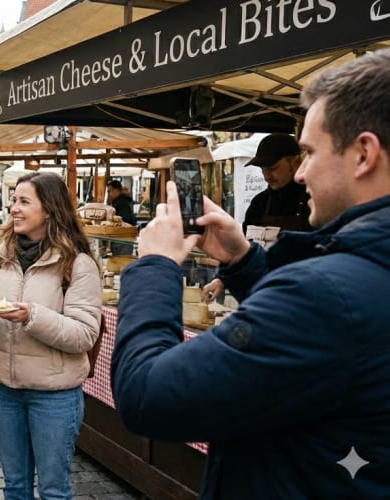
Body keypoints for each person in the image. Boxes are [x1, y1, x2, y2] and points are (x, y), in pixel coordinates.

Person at [111, 48, 390, 498]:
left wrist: (154, 267)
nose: (301, 174)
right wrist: (244, 262)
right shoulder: (353, 284)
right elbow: (317, 349)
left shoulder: (326, 294)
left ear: (363, 154)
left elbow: (147, 395)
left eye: (309, 153)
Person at [0, 172, 101, 499]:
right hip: (3, 391)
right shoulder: (2, 254)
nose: (14, 209)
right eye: (14, 200)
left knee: (53, 491)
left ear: (50, 210)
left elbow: (84, 335)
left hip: (52, 395)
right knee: (15, 486)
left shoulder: (77, 264)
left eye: (24, 202)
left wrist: (31, 316)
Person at [201, 133, 312, 302]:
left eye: (273, 168)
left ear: (295, 162)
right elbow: (243, 249)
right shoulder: (259, 204)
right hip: (258, 294)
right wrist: (222, 279)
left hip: (300, 297)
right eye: (263, 169)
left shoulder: (312, 202)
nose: (267, 175)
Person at [107, 179, 137, 256]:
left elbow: (126, 220)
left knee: (122, 262)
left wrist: (113, 221)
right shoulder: (121, 201)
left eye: (110, 191)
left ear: (117, 190)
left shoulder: (122, 203)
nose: (109, 194)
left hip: (122, 239)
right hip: (122, 238)